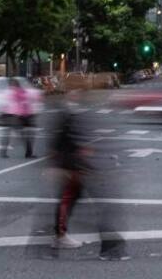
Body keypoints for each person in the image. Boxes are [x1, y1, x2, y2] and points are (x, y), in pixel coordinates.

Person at [49, 103, 128, 260]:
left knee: (75, 201)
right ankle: (110, 247)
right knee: (79, 202)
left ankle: (110, 245)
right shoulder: (71, 112)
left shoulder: (79, 110)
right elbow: (63, 140)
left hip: (80, 165)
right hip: (76, 167)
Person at [0, 78, 36, 158]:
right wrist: (25, 114)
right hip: (15, 116)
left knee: (7, 134)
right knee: (23, 135)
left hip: (6, 115)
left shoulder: (6, 91)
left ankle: (3, 152)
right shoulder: (19, 92)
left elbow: (3, 103)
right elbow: (24, 103)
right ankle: (28, 153)